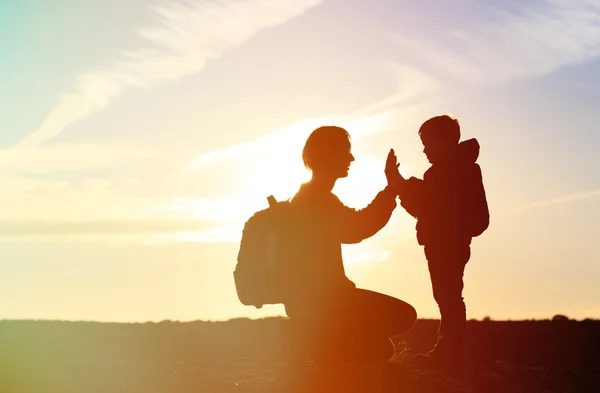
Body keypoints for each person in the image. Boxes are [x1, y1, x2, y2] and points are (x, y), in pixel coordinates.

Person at [281, 125, 417, 365]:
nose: (351, 158)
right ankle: (321, 342)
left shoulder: (309, 197)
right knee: (404, 316)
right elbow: (357, 228)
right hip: (326, 301)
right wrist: (390, 191)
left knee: (380, 349)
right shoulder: (316, 200)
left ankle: (323, 341)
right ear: (328, 155)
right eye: (345, 152)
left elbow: (354, 226)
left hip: (313, 301)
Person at [391, 115, 489, 371]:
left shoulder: (456, 170)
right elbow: (428, 207)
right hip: (440, 243)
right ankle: (449, 351)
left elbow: (434, 206)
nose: (424, 150)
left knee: (449, 295)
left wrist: (401, 185)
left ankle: (451, 352)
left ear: (446, 141)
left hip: (450, 244)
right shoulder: (444, 171)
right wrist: (403, 186)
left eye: (427, 143)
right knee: (445, 294)